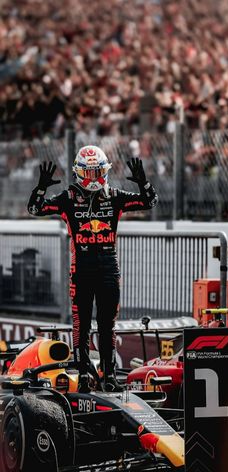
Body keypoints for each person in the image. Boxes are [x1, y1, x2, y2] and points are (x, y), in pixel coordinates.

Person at [28, 146, 158, 392]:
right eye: (88, 173)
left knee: (108, 324)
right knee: (82, 324)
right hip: (82, 270)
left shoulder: (115, 195)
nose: (93, 178)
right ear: (79, 173)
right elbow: (35, 208)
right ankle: (84, 376)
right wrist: (42, 187)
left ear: (105, 171)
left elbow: (149, 201)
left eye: (97, 171)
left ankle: (109, 376)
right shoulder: (68, 197)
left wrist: (144, 182)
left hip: (109, 268)